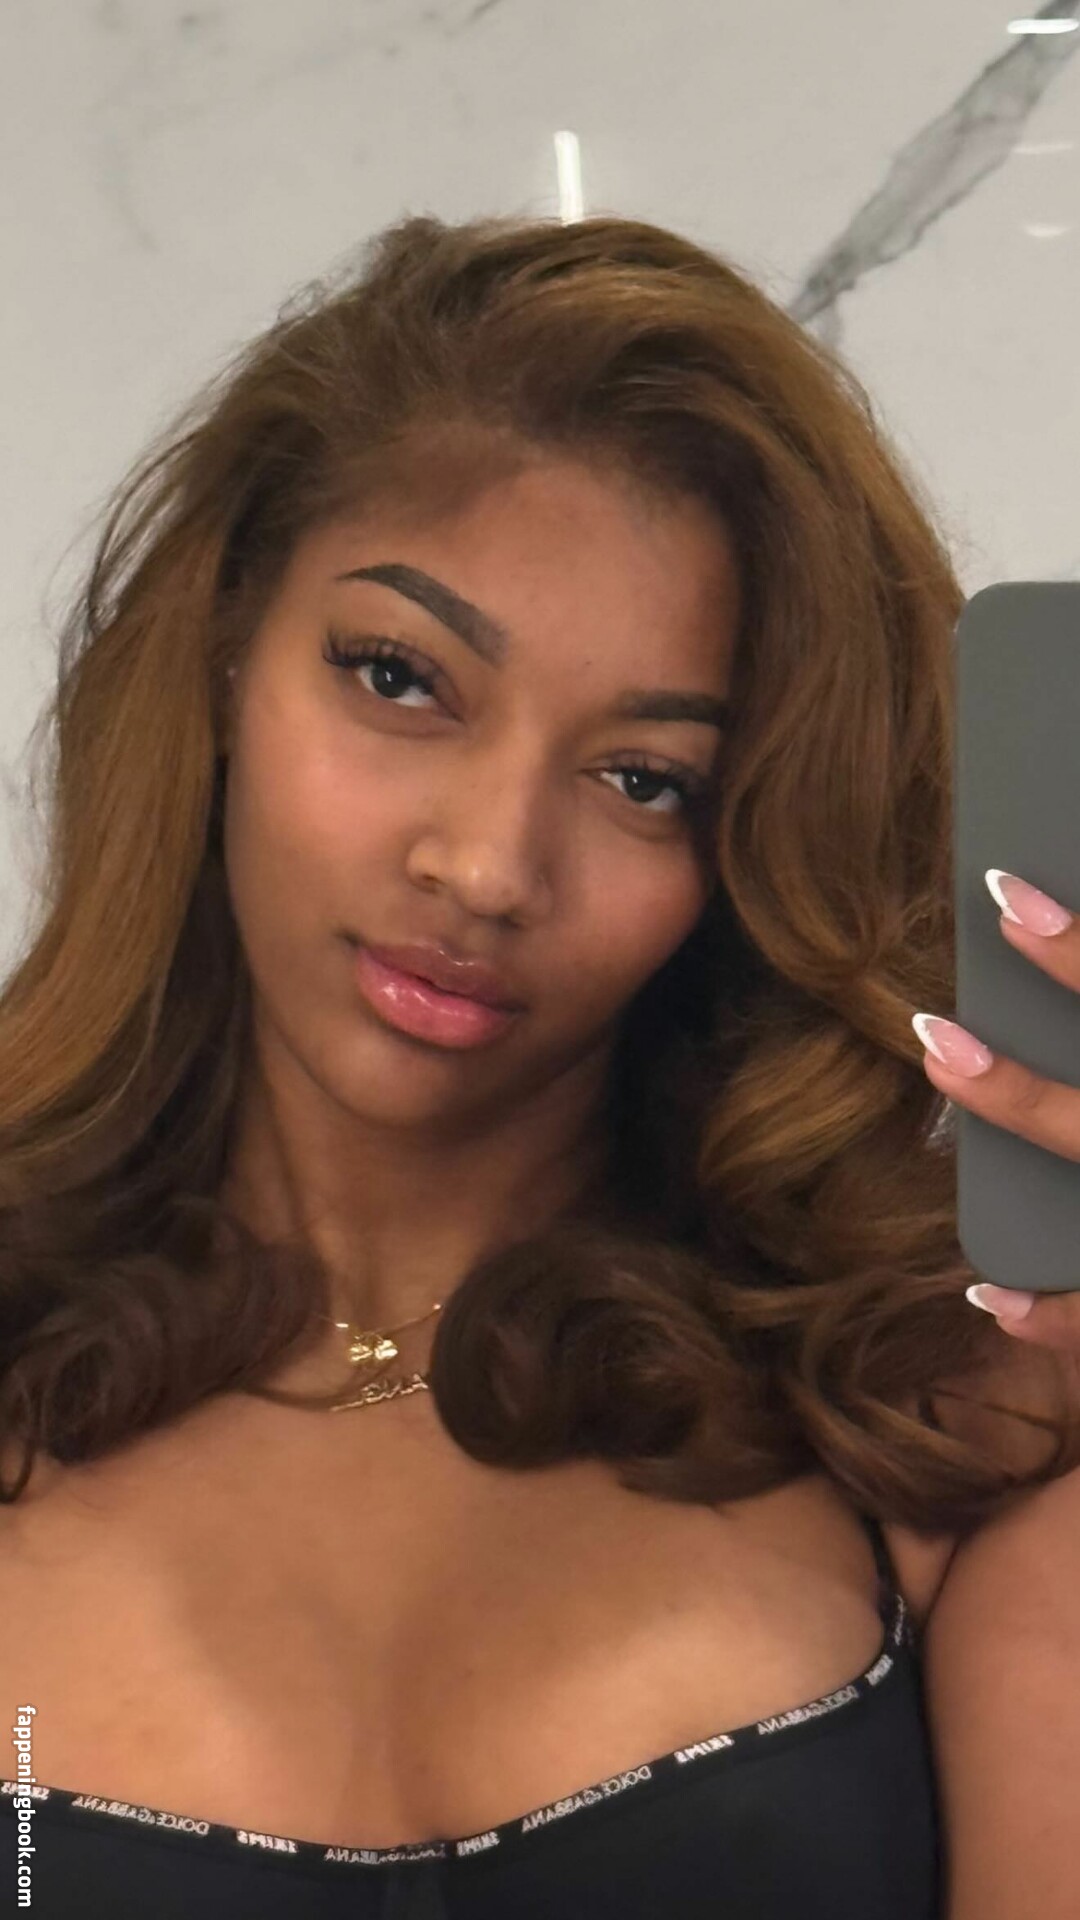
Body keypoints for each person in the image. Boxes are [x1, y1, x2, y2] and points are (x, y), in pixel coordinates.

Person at [0, 210, 1076, 1920]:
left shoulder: (936, 1422)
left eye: (644, 780)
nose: (491, 868)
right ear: (219, 651)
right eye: (399, 679)